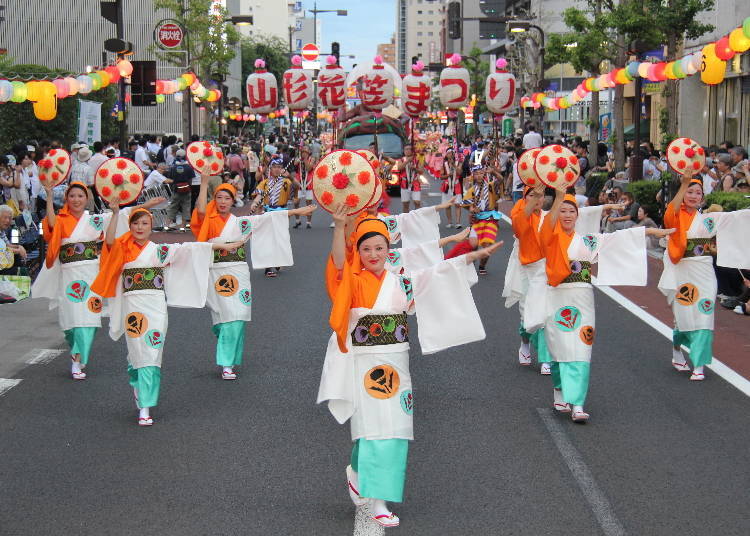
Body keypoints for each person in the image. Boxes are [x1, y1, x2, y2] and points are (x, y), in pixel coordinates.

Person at [319, 204, 502, 527]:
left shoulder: (400, 281)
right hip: (365, 365)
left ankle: (358, 475)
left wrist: (468, 256)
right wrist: (338, 228)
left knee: (395, 430)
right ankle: (376, 500)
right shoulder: (353, 280)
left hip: (397, 365)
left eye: (379, 248)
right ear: (357, 252)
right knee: (377, 430)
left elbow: (435, 277)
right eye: (366, 249)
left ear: (389, 250)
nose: (373, 254)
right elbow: (337, 264)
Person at [91, 205, 236, 426]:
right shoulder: (123, 247)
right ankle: (141, 391)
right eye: (135, 223)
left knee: (153, 350)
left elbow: (190, 249)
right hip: (133, 306)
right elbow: (109, 242)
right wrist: (114, 214)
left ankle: (146, 405)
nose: (140, 227)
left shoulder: (159, 251)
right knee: (138, 351)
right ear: (129, 226)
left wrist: (224, 245)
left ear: (152, 227)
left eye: (144, 223)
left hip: (156, 305)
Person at [541, 190, 674, 421]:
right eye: (562, 210)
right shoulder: (549, 236)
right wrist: (560, 195)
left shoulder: (588, 241)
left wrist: (651, 231)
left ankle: (578, 403)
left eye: (571, 211)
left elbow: (619, 240)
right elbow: (546, 225)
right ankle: (559, 390)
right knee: (559, 347)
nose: (567, 215)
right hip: (556, 296)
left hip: (582, 297)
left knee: (582, 347)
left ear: (577, 215)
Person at [192, 173, 316, 379]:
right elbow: (201, 210)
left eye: (227, 198)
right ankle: (227, 352)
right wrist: (204, 182)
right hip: (216, 272)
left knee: (238, 315)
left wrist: (296, 211)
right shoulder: (209, 220)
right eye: (219, 198)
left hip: (238, 272)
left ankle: (226, 363)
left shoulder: (241, 223)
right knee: (223, 319)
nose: (222, 202)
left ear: (233, 201)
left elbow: (268, 217)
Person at [659, 174, 750, 380]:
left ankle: (699, 364)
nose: (693, 196)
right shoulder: (676, 215)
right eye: (689, 192)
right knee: (682, 316)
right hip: (681, 270)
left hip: (704, 271)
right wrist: (683, 184)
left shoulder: (709, 219)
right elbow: (669, 213)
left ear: (703, 196)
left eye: (697, 193)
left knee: (705, 314)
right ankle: (676, 351)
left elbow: (738, 219)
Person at [460, 163, 503, 275]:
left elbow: (500, 179)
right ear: (473, 176)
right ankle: (473, 261)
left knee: (487, 245)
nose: (479, 175)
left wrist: (493, 172)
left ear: (484, 174)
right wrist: (472, 209)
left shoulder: (490, 186)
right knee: (474, 245)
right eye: (476, 174)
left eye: (481, 173)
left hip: (490, 219)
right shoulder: (471, 190)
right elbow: (468, 205)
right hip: (477, 220)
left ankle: (482, 265)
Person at [165, 149, 195, 231]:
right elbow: (191, 179)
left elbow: (170, 178)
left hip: (176, 189)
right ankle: (182, 227)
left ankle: (167, 225)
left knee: (173, 207)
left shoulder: (173, 167)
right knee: (186, 207)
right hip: (186, 189)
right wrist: (188, 186)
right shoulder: (189, 167)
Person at [394, 144, 424, 213]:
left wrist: (415, 168)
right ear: (404, 151)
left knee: (417, 203)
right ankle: (406, 220)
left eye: (409, 149)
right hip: (404, 184)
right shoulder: (401, 159)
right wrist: (407, 161)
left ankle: (418, 219)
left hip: (415, 183)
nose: (408, 151)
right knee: (405, 204)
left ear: (412, 150)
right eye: (406, 149)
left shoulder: (417, 159)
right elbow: (398, 168)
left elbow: (421, 171)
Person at [0, 204, 26, 275]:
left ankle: (20, 273)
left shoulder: (2, 231)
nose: (7, 220)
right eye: (5, 218)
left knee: (17, 257)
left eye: (9, 218)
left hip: (3, 262)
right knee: (21, 268)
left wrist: (19, 247)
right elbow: (2, 250)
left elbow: (7, 245)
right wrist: (18, 250)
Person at [439, 148, 462, 229]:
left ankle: (458, 223)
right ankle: (449, 222)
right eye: (448, 153)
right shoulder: (444, 164)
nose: (450, 155)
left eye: (452, 153)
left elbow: (460, 173)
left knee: (457, 204)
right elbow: (441, 176)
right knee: (447, 205)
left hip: (456, 185)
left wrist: (454, 165)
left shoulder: (458, 163)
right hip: (447, 186)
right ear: (446, 155)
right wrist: (448, 175)